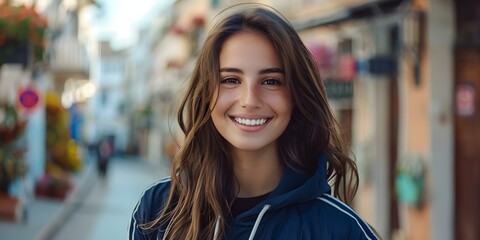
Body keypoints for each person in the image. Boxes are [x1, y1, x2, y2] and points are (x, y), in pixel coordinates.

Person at [129, 4, 379, 240]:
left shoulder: (340, 229)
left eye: (271, 81)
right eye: (230, 80)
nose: (250, 100)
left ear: (296, 95)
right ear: (206, 94)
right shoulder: (157, 211)